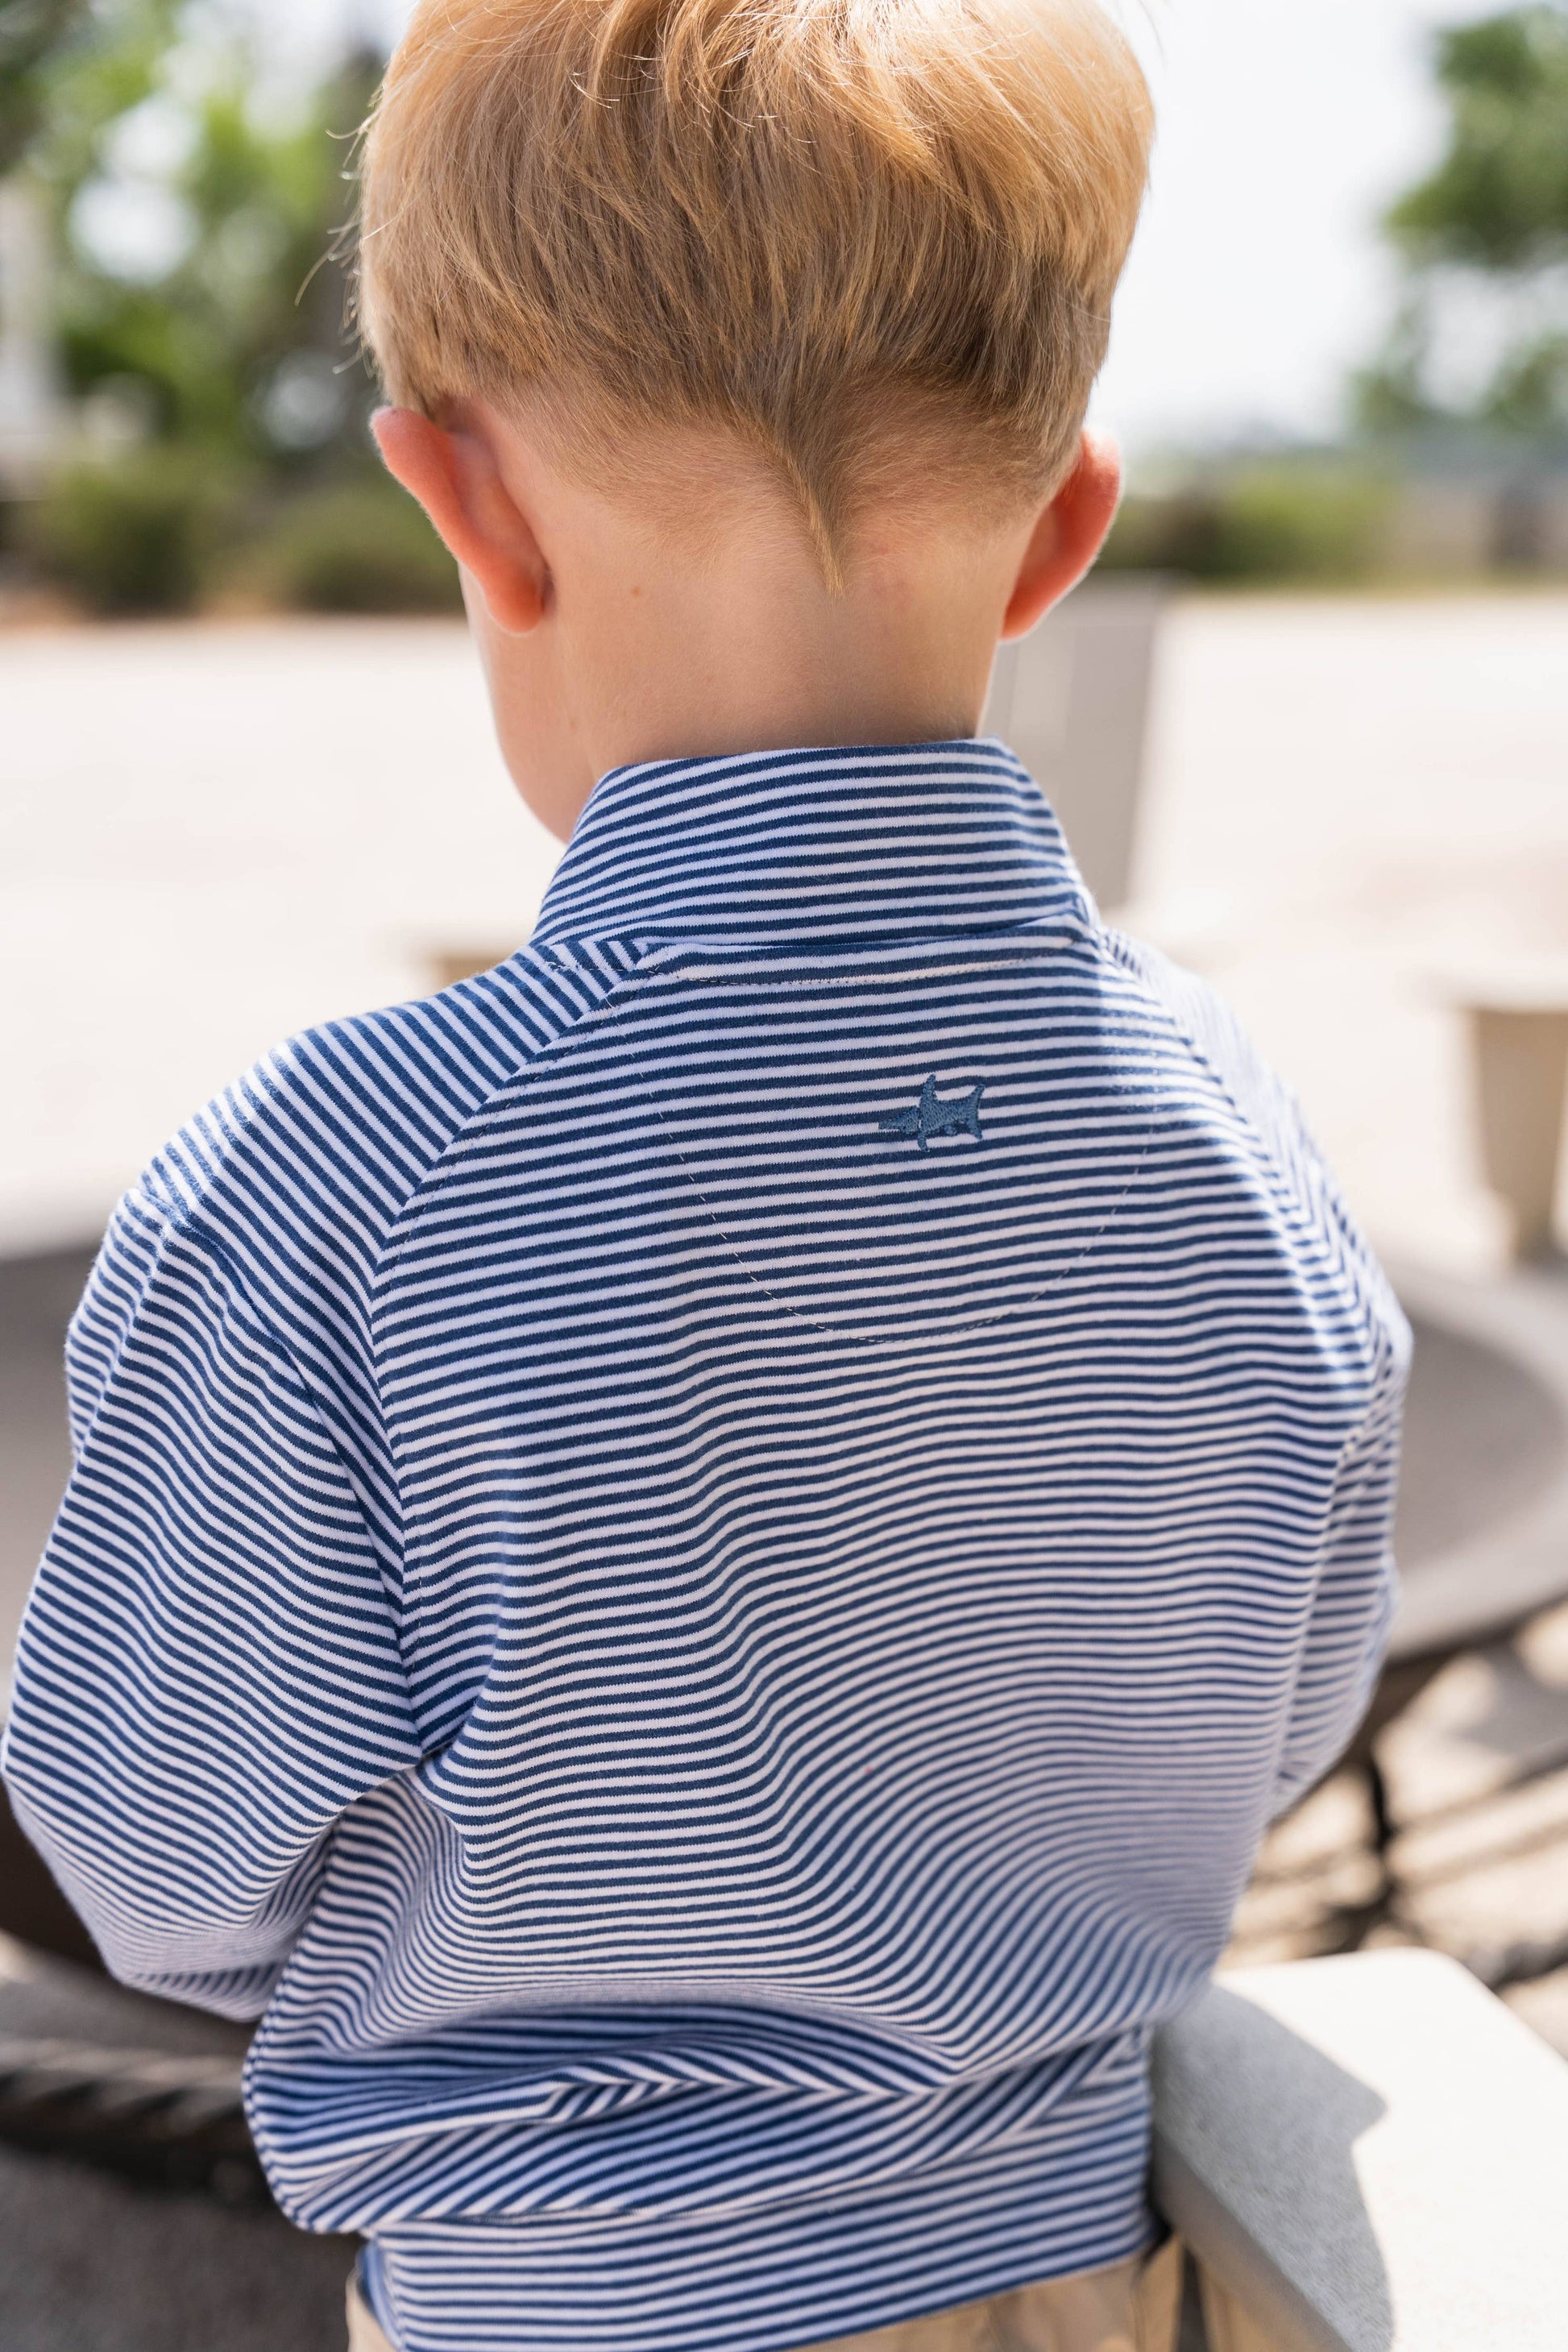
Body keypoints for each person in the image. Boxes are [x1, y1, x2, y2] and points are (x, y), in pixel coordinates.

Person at [2, 2, 1408, 2348]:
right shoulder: (1233, 1134)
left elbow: (153, 1870)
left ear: (460, 502)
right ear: (1067, 528)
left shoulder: (325, 1189)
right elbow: (1280, 1720)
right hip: (1089, 2285)